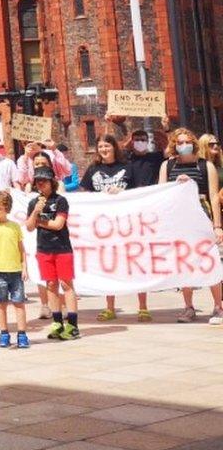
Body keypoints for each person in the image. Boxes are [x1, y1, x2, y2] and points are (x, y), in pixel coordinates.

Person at [79, 135, 149, 322]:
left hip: (126, 222)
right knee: (108, 265)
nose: (104, 149)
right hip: (103, 225)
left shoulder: (128, 167)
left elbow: (140, 192)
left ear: (114, 147)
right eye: (100, 146)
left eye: (107, 145)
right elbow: (84, 194)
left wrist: (122, 193)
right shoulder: (93, 169)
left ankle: (142, 307)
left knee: (135, 263)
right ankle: (109, 307)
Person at [159, 128, 223, 324]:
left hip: (201, 217)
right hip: (178, 220)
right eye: (179, 142)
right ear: (174, 145)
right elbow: (161, 192)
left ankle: (218, 306)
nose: (183, 145)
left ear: (193, 143)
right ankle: (188, 306)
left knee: (210, 260)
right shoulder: (167, 166)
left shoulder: (205, 166)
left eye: (187, 141)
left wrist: (217, 225)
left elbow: (213, 195)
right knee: (184, 262)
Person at [25, 167, 79, 340]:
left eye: (44, 181)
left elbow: (58, 225)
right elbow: (29, 226)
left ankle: (72, 324)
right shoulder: (34, 203)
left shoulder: (61, 200)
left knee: (66, 284)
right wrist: (35, 212)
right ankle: (56, 322)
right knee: (50, 284)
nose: (40, 184)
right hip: (43, 248)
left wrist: (40, 221)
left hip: (62, 248)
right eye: (37, 181)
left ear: (51, 182)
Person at [0, 191, 30, 349]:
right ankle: (4, 333)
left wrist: (25, 268)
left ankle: (22, 334)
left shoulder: (15, 227)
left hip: (15, 271)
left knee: (19, 303)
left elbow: (21, 249)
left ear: (7, 209)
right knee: (0, 304)